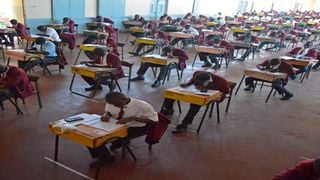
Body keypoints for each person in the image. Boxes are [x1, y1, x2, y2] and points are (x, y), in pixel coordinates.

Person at [87, 92, 158, 168]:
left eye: (116, 104)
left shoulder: (142, 106)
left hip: (136, 127)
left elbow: (154, 121)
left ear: (124, 99)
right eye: (113, 104)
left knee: (99, 138)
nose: (115, 106)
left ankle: (106, 158)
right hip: (116, 125)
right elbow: (108, 112)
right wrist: (106, 115)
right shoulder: (112, 103)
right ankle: (114, 146)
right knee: (90, 134)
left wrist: (132, 118)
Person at [161, 71, 229, 134]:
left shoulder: (221, 81)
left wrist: (208, 91)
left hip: (212, 96)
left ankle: (184, 124)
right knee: (171, 94)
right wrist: (187, 84)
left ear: (207, 81)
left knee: (195, 104)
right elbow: (192, 81)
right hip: (197, 93)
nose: (199, 84)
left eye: (201, 83)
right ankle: (168, 109)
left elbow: (226, 92)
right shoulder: (197, 73)